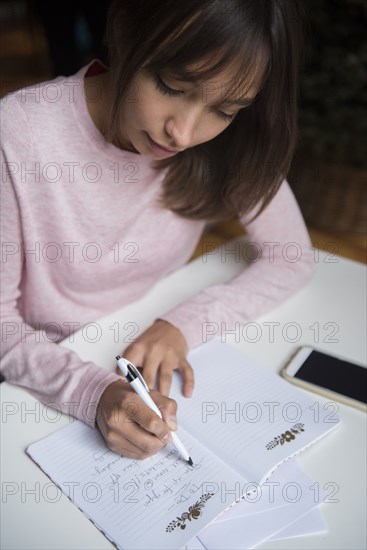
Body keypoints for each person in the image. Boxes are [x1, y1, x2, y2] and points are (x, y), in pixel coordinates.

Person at [0, 0, 313, 460]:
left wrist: (183, 325)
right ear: (125, 29)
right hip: (44, 372)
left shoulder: (233, 141)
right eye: (171, 85)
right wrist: (92, 393)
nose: (182, 133)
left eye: (224, 110)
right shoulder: (19, 131)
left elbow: (291, 258)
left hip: (143, 343)